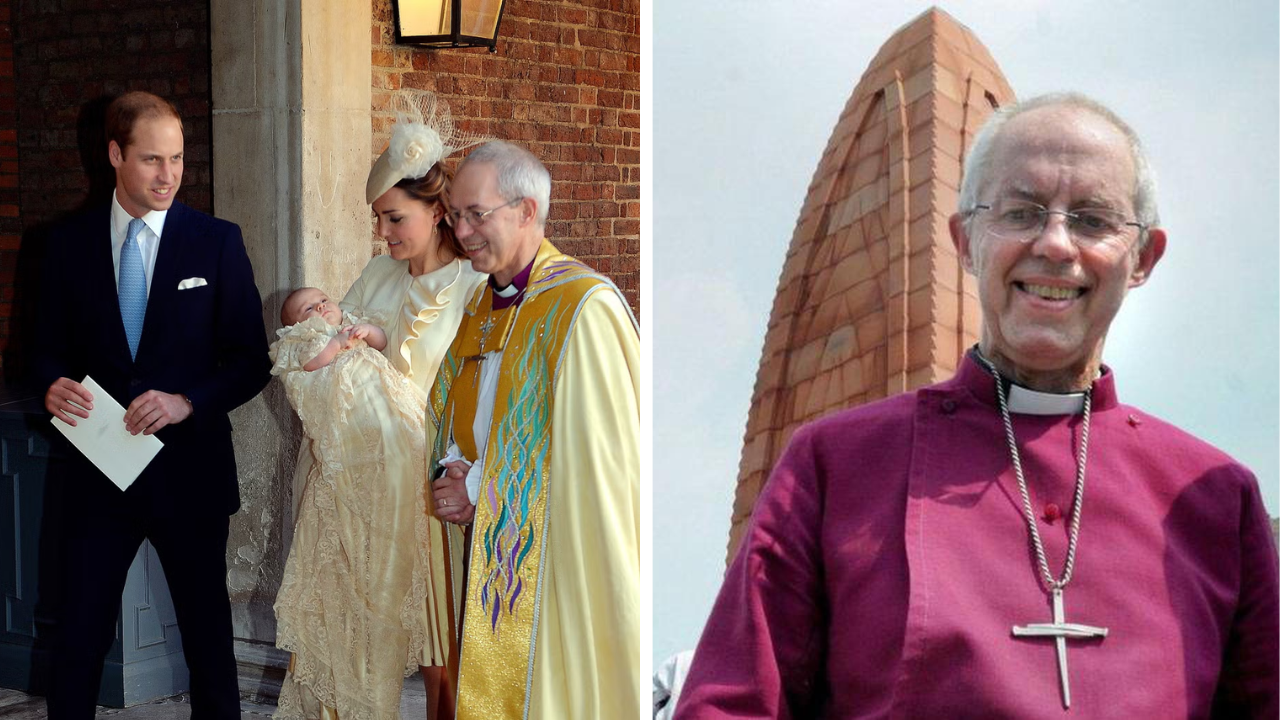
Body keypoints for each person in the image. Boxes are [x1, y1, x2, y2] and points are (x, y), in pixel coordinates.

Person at [674, 93, 1278, 718]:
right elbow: (733, 704)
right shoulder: (834, 466)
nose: (1055, 244)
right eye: (1020, 212)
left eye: (1093, 221)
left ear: (1143, 258)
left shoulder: (1216, 500)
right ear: (965, 242)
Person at [34, 91, 271, 717]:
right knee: (78, 637)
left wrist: (188, 401)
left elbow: (251, 360)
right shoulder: (61, 245)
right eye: (151, 160)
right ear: (115, 155)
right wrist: (49, 384)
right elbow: (36, 351)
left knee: (208, 642)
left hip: (189, 474)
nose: (168, 175)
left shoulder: (217, 242)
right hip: (95, 474)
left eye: (177, 159)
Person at [272, 90, 486, 719]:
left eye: (394, 218)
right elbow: (328, 357)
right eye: (377, 219)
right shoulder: (375, 275)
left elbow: (481, 396)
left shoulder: (474, 287)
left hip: (435, 494)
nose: (382, 232)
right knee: (354, 643)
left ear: (437, 211)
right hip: (361, 492)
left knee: (442, 653)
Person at [428, 140, 642, 719]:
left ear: (527, 212)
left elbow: (597, 462)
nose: (463, 231)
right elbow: (452, 403)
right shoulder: (481, 302)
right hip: (483, 546)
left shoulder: (583, 307)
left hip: (551, 565)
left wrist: (481, 490)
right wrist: (452, 467)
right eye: (455, 215)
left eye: (478, 214)